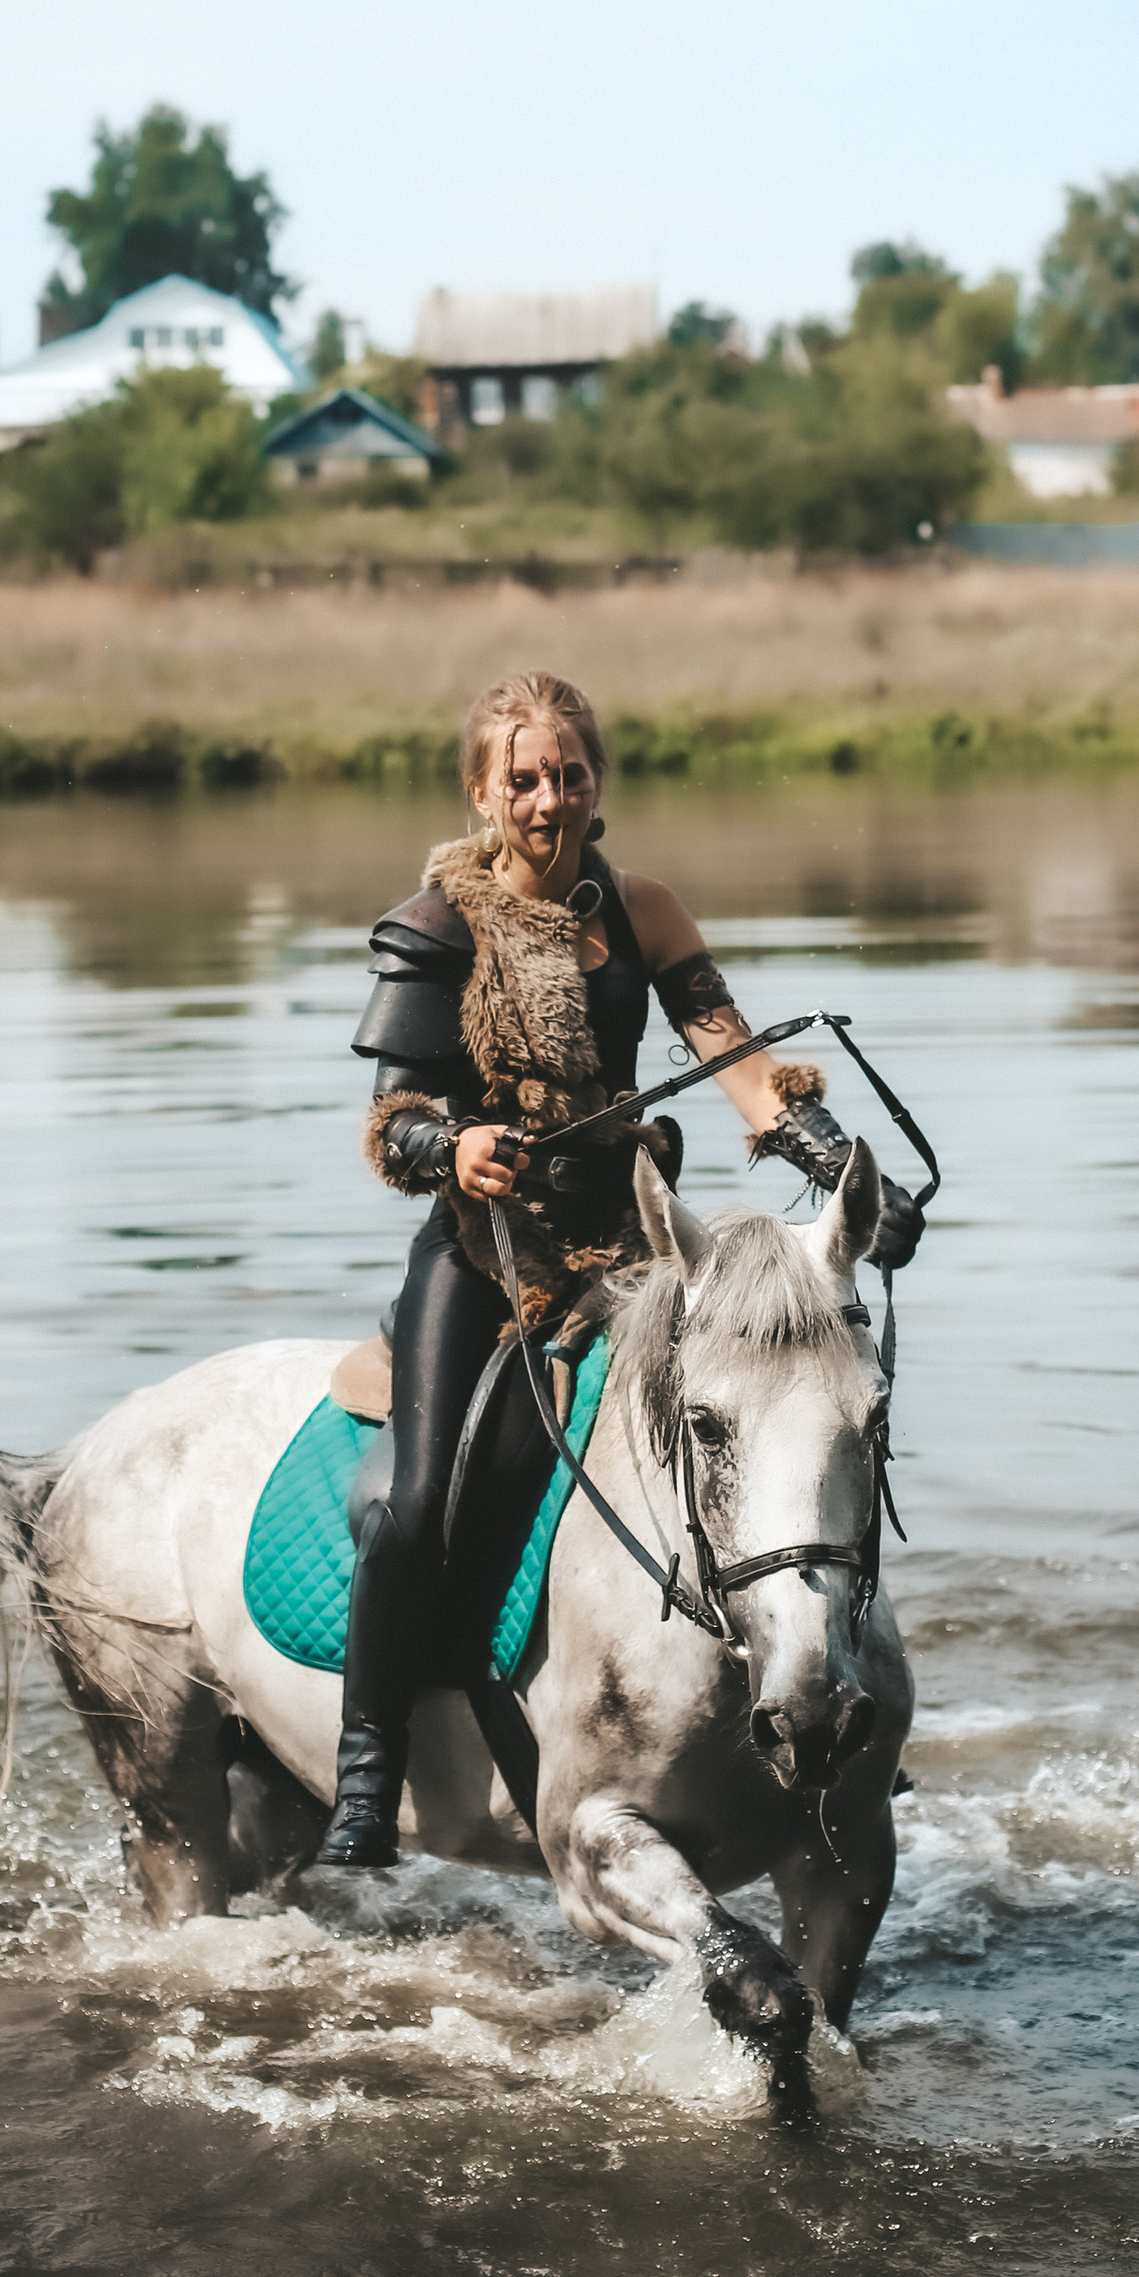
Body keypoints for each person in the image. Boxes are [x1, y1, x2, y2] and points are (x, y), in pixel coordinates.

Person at [318, 667, 925, 1867]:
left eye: (570, 775)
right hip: (485, 1258)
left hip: (631, 1252)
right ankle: (365, 1767)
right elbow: (392, 1124)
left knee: (774, 1426)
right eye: (524, 779)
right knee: (417, 1502)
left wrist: (848, 1169)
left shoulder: (642, 910)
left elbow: (738, 1064)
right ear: (483, 791)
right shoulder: (437, 927)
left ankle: (824, 1694)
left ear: (598, 784)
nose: (549, 799)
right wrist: (459, 1143)